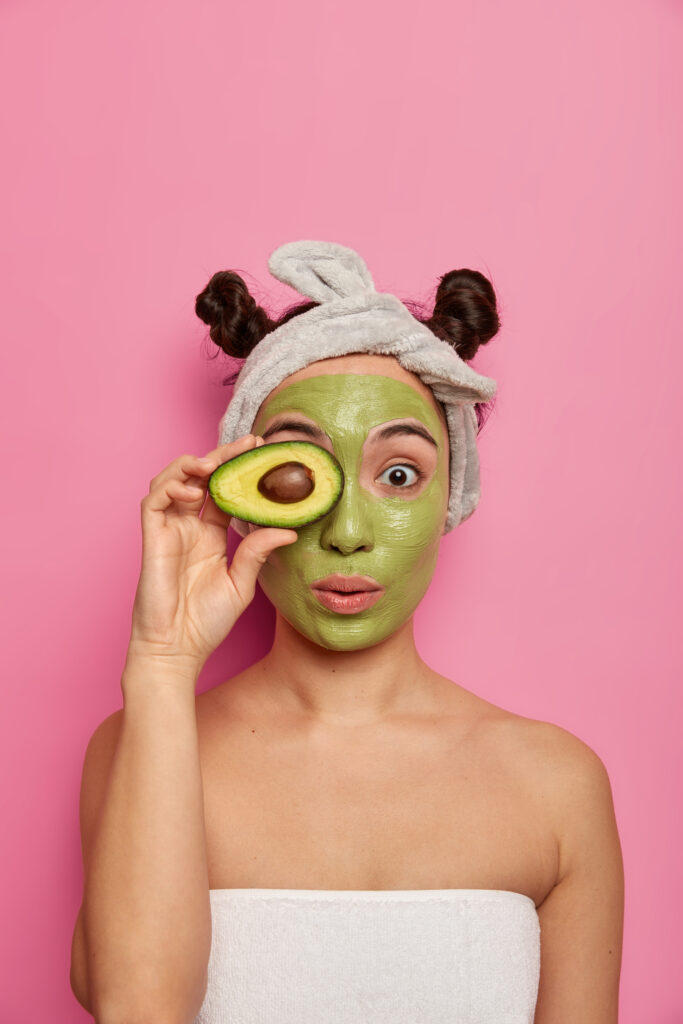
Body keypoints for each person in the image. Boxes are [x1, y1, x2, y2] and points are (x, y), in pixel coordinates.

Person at [69, 241, 624, 1023]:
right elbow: (137, 1011)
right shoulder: (139, 746)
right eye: (298, 471)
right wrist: (161, 662)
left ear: (451, 502)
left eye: (399, 475)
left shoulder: (555, 782)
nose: (348, 531)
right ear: (244, 495)